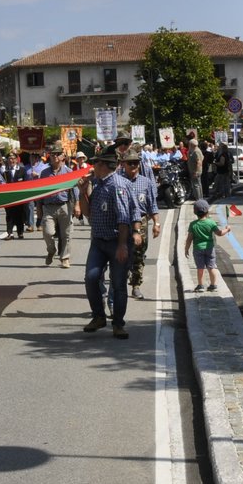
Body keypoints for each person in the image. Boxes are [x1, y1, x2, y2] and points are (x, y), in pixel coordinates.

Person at [79, 145, 137, 340]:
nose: (93, 166)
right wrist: (82, 193)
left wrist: (122, 245)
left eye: (95, 162)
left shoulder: (117, 186)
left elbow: (123, 218)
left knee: (119, 284)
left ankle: (118, 324)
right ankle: (98, 316)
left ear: (103, 165)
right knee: (91, 278)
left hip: (116, 242)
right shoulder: (98, 183)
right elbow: (87, 213)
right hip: (98, 241)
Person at [122, 148, 162, 298]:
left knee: (139, 254)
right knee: (123, 254)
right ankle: (120, 282)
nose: (133, 166)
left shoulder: (146, 183)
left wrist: (156, 224)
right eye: (130, 163)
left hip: (142, 221)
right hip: (123, 222)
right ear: (124, 164)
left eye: (136, 163)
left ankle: (136, 285)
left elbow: (152, 205)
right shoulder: (119, 181)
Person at [39, 144, 78, 267]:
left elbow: (74, 190)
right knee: (48, 232)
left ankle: (65, 257)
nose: (55, 156)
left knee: (66, 234)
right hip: (49, 207)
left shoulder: (68, 172)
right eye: (52, 154)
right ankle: (51, 251)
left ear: (62, 156)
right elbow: (40, 192)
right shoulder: (44, 173)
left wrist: (77, 205)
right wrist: (39, 208)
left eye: (57, 154)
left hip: (64, 206)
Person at [189, 199, 230, 292]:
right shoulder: (211, 222)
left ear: (194, 211)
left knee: (200, 268)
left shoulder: (193, 224)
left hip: (197, 249)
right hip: (210, 248)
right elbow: (219, 233)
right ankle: (213, 285)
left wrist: (186, 248)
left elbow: (189, 238)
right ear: (207, 211)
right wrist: (227, 229)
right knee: (212, 267)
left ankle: (200, 285)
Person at [3, 149, 29, 239]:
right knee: (9, 216)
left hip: (19, 197)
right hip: (8, 197)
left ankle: (20, 232)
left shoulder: (22, 170)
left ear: (17, 159)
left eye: (13, 158)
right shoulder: (5, 172)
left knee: (19, 215)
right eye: (10, 158)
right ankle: (10, 233)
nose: (11, 160)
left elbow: (26, 183)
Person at [209, 137, 234, 202]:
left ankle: (222, 195)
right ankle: (226, 195)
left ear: (222, 148)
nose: (218, 147)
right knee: (226, 183)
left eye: (219, 146)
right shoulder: (227, 154)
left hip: (222, 171)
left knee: (221, 183)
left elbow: (222, 163)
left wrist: (215, 163)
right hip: (226, 170)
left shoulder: (223, 154)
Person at [185, 136, 204, 201]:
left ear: (192, 145)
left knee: (196, 185)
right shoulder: (192, 151)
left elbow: (199, 162)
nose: (188, 145)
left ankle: (199, 199)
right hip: (193, 171)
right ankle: (199, 198)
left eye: (189, 144)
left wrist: (196, 171)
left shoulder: (196, 151)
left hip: (196, 171)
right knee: (197, 184)